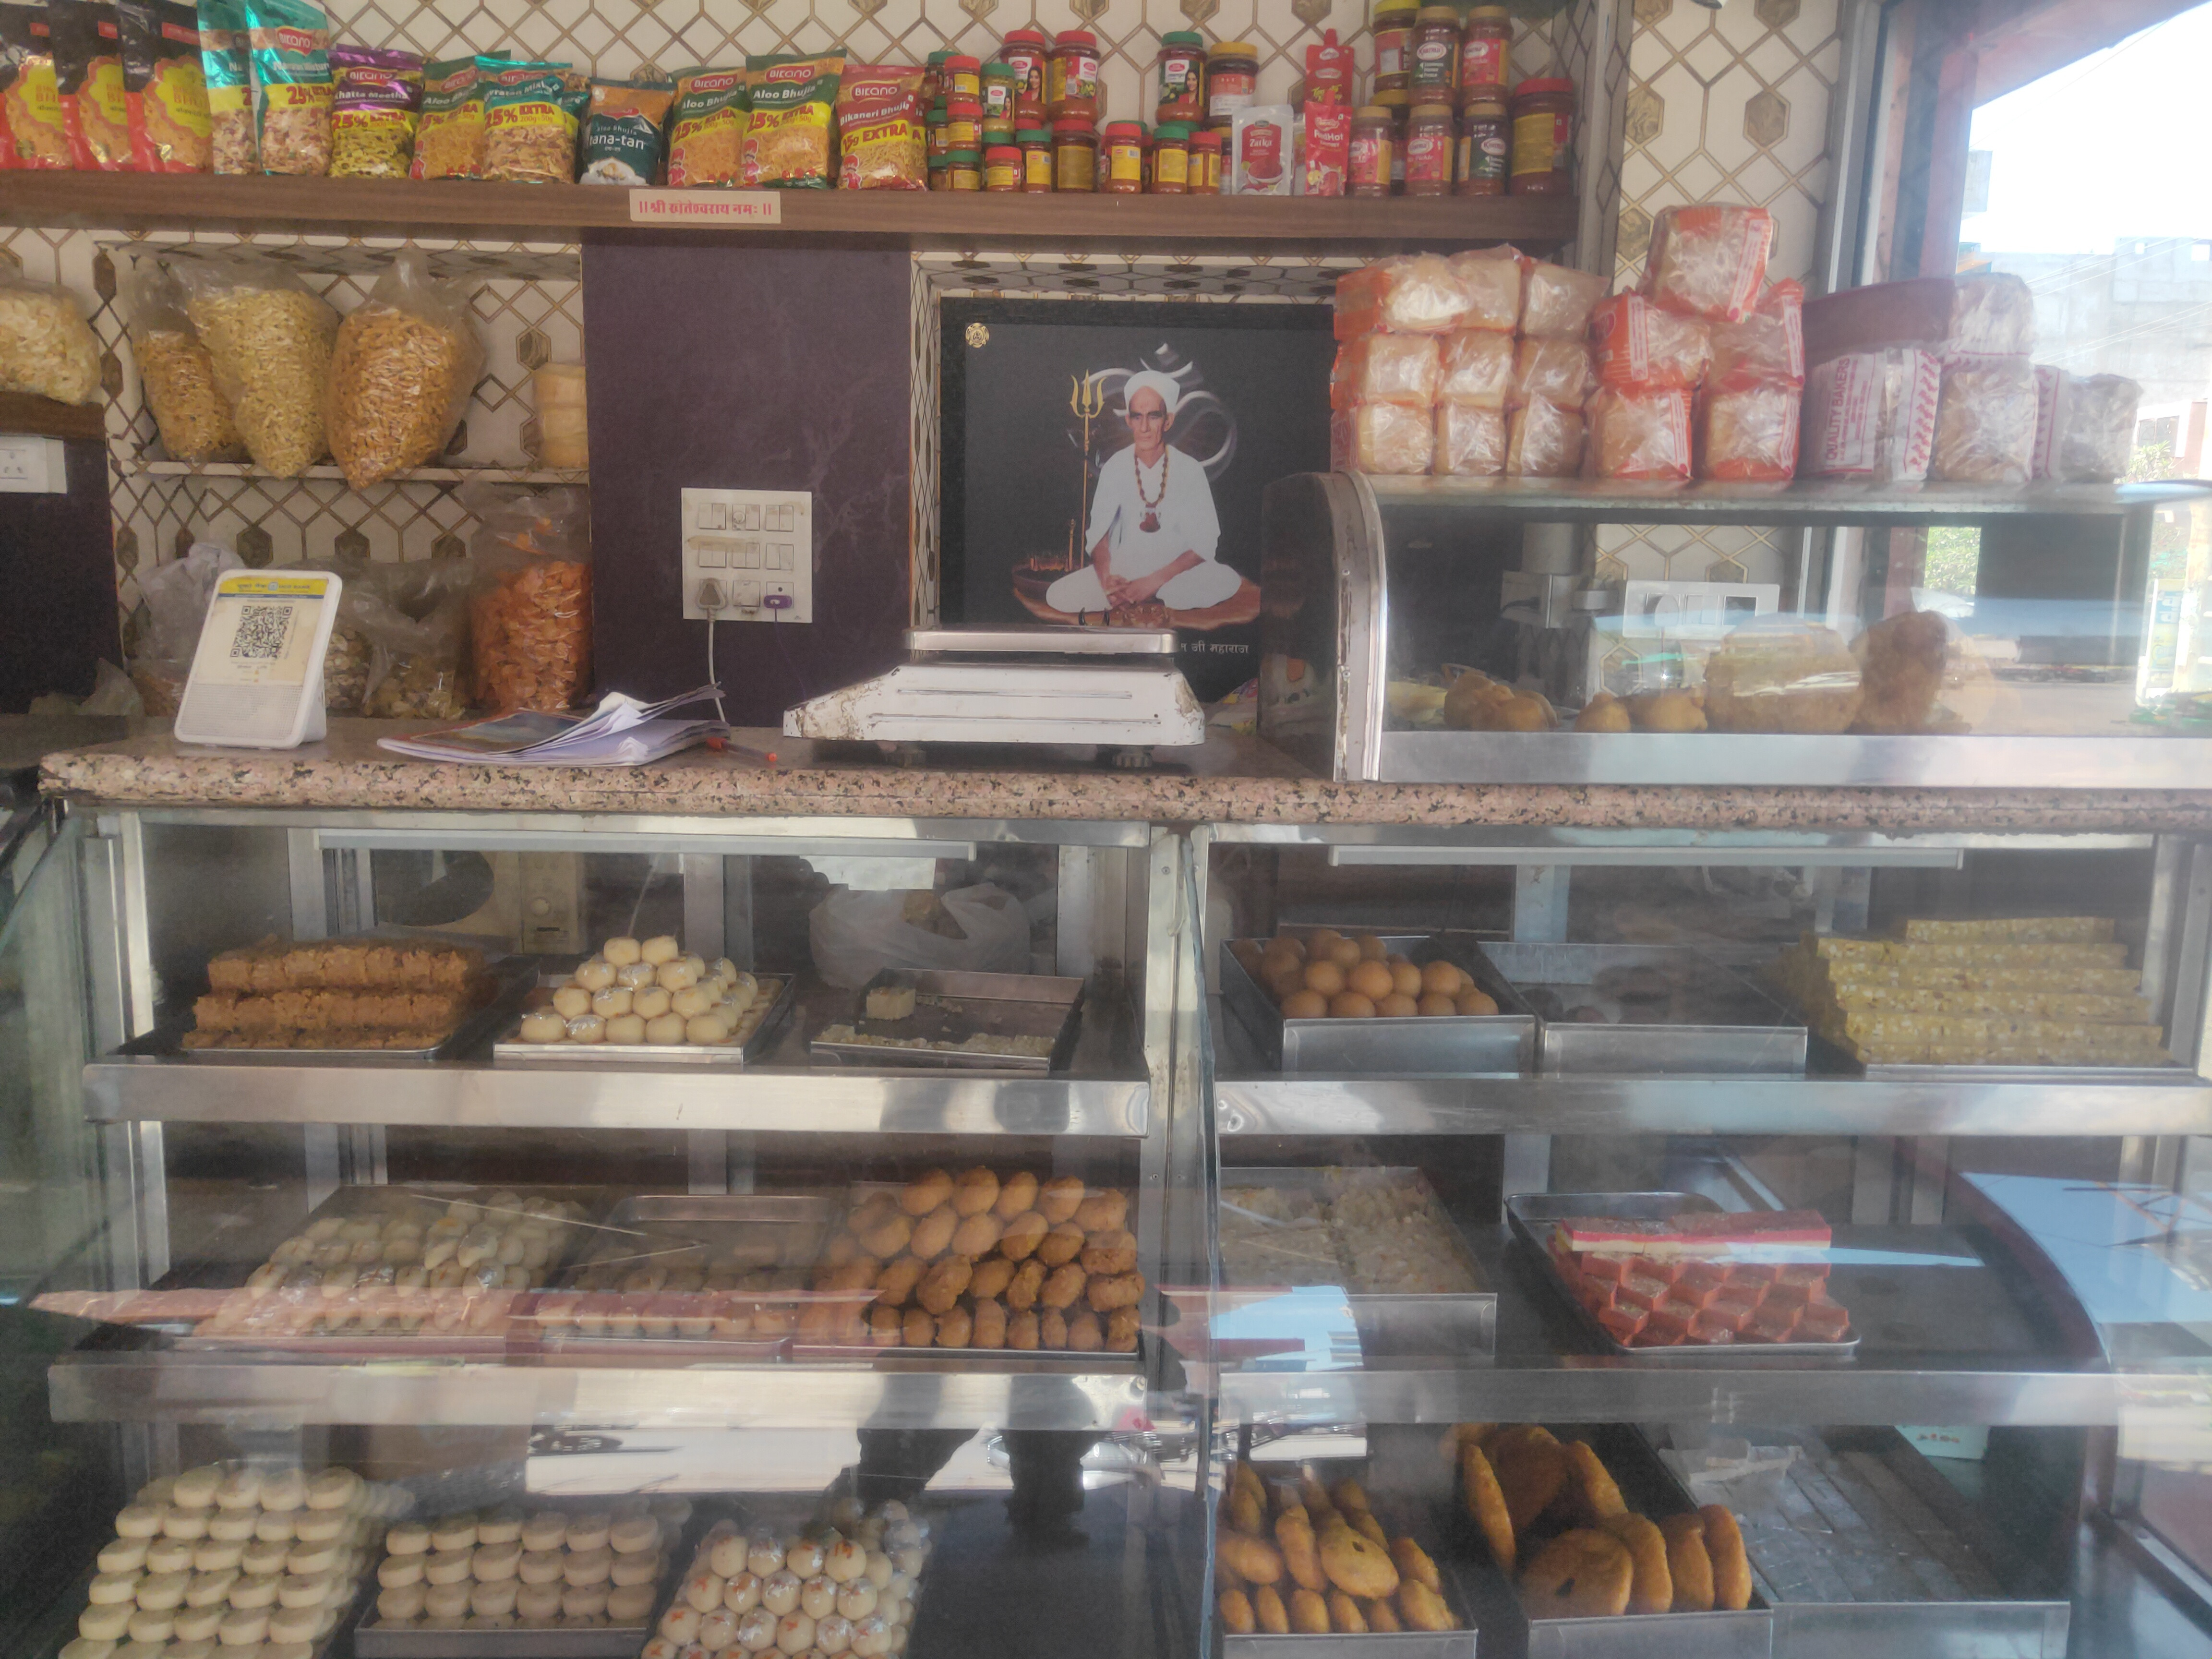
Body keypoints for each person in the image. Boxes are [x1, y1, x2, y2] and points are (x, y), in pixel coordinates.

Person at [1045, 370, 1243, 615]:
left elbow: (1204, 544)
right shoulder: (1115, 467)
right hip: (1126, 570)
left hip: (1177, 573)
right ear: (1129, 421)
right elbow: (1099, 537)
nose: (1145, 427)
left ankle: (1152, 594)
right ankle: (1131, 595)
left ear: (1168, 421)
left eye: (1154, 416)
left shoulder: (1190, 470)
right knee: (1059, 595)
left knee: (1219, 581)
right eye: (1138, 417)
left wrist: (1152, 582)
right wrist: (1107, 581)